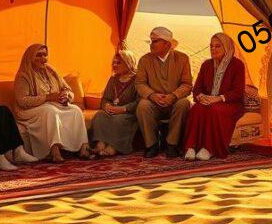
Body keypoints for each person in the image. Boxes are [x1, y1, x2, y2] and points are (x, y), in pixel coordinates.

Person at [13, 44, 91, 162]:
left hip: (51, 105)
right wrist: (48, 97)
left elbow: (67, 89)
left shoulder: (50, 70)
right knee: (50, 111)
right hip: (28, 111)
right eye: (38, 55)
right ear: (30, 57)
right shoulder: (23, 75)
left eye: (45, 55)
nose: (43, 58)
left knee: (76, 110)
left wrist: (66, 96)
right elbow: (22, 101)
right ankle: (54, 151)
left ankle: (83, 147)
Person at [183, 33, 246, 161]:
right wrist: (201, 97)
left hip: (230, 103)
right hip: (209, 101)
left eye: (217, 46)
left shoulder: (237, 65)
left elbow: (238, 92)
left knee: (215, 110)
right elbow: (197, 89)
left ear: (227, 47)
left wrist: (218, 98)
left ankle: (210, 149)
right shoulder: (206, 64)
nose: (213, 49)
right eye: (211, 46)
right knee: (196, 109)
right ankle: (191, 147)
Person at [134, 26, 192, 158]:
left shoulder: (182, 58)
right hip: (153, 102)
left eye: (155, 41)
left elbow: (187, 84)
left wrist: (173, 96)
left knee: (184, 104)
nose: (151, 45)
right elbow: (140, 83)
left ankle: (172, 144)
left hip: (174, 101)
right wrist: (152, 95)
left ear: (167, 44)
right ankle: (151, 145)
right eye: (151, 41)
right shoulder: (145, 60)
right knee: (143, 106)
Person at [90, 50, 140, 156]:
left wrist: (122, 109)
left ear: (128, 63)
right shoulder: (113, 79)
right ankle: (100, 145)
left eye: (118, 63)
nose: (114, 65)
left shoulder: (137, 79)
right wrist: (107, 106)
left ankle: (113, 147)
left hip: (128, 113)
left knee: (118, 119)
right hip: (113, 110)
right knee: (100, 115)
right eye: (114, 62)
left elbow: (139, 101)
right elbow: (105, 99)